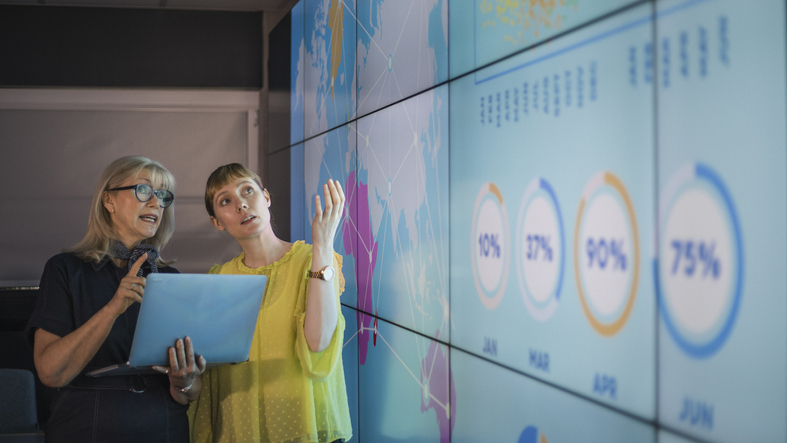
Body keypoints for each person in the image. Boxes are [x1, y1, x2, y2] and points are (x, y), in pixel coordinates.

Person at [25, 156, 207, 443]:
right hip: (88, 423)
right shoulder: (65, 269)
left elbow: (190, 394)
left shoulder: (170, 277)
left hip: (164, 424)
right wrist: (112, 309)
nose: (156, 203)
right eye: (144, 190)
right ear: (108, 201)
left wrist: (184, 381)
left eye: (162, 195)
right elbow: (50, 373)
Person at [188, 163, 352, 443]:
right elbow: (207, 373)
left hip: (305, 425)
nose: (241, 204)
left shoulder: (315, 258)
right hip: (240, 428)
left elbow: (319, 342)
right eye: (225, 201)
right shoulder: (218, 280)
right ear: (217, 221)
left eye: (247, 191)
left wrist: (323, 245)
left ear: (266, 197)